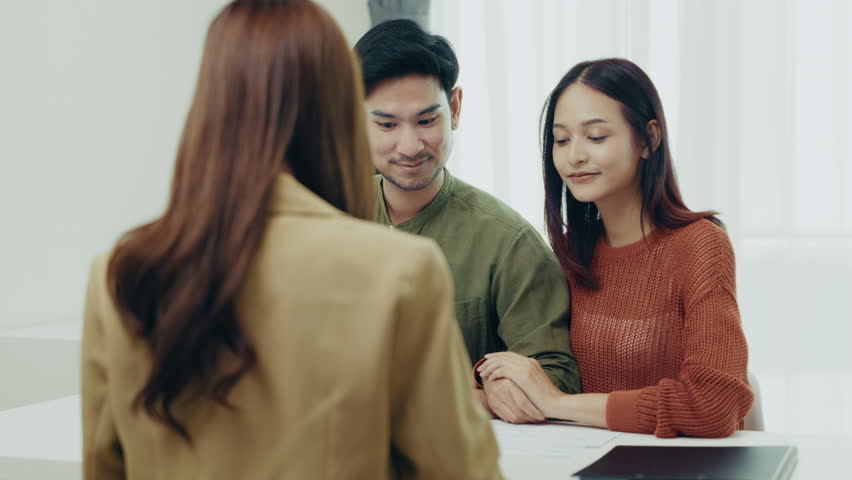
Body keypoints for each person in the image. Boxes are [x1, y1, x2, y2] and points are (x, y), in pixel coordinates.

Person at [80, 1, 501, 478]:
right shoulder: (401, 270)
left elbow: (103, 465)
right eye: (386, 122)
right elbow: (459, 470)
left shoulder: (120, 272)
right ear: (342, 109)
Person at [478, 58, 754, 438]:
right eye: (561, 139)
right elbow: (525, 365)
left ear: (648, 139)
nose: (574, 155)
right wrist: (498, 382)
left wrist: (556, 403)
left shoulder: (700, 244)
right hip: (585, 460)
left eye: (596, 137)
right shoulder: (571, 255)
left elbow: (711, 405)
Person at [354, 19, 581, 424]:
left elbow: (555, 384)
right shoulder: (327, 222)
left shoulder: (508, 243)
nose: (409, 146)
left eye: (427, 121)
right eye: (386, 124)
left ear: (454, 109)